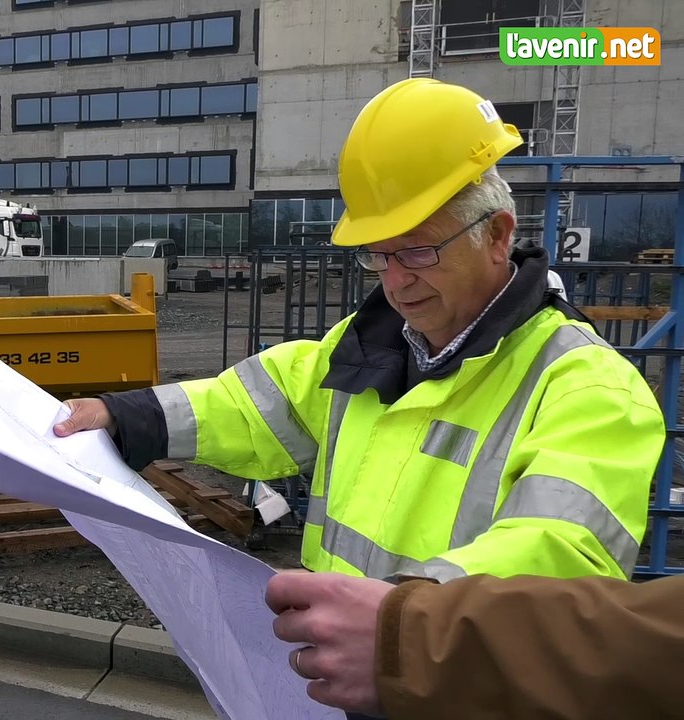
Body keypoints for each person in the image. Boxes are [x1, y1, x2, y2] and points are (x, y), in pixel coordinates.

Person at [53, 77, 665, 585]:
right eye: (379, 254)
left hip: (448, 676)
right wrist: (123, 416)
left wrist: (399, 624)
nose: (395, 281)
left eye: (418, 251)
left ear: (498, 235)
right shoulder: (368, 345)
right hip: (344, 670)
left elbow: (560, 553)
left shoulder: (587, 389)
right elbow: (249, 407)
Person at [264, 570, 684, 719]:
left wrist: (408, 631)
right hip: (359, 661)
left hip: (424, 677)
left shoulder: (589, 398)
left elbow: (555, 542)